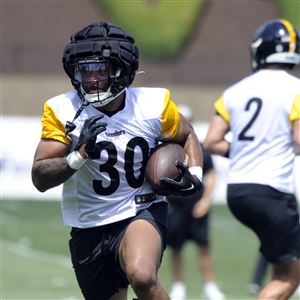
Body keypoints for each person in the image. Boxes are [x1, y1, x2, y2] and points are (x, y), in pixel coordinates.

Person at [31, 21, 204, 300]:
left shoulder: (153, 105)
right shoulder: (62, 110)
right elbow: (39, 177)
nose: (91, 79)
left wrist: (195, 172)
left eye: (100, 68)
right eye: (84, 70)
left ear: (122, 69)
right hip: (88, 222)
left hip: (139, 210)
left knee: (142, 275)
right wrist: (78, 155)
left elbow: (187, 135)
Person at [204, 18, 300, 300]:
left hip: (239, 192)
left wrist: (247, 151)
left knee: (278, 267)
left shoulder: (235, 91)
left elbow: (212, 141)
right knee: (290, 276)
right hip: (273, 193)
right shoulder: (296, 89)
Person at [167, 105, 225, 300]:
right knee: (175, 248)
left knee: (204, 247)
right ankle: (178, 286)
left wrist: (206, 201)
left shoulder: (197, 148)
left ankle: (210, 286)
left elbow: (212, 174)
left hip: (196, 205)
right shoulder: (166, 150)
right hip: (174, 207)